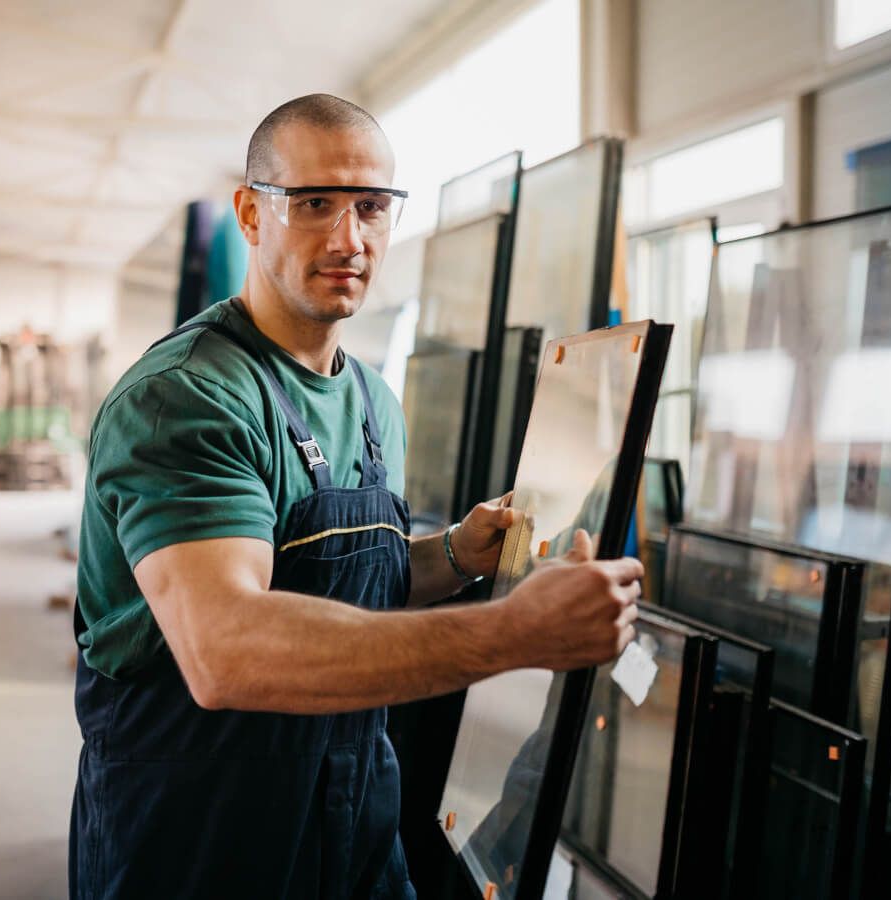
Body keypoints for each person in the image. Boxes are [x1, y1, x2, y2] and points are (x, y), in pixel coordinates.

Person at [69, 93, 642, 900]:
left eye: (371, 206)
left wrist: (452, 556)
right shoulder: (187, 399)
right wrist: (513, 632)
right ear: (252, 213)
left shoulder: (372, 401)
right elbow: (226, 648)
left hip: (351, 831)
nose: (349, 239)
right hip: (200, 844)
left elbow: (334, 582)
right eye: (314, 204)